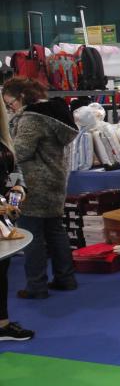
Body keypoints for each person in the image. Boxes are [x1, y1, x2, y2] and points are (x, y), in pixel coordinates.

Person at [3, 77, 78, 299]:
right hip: (54, 181)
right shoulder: (51, 114)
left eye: (10, 103)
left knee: (31, 234)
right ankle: (66, 278)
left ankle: (36, 286)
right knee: (55, 231)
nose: (10, 108)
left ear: (22, 96)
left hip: (32, 183)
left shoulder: (30, 119)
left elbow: (20, 152)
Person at [0, 96, 33, 341]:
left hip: (4, 217)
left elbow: (13, 171)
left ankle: (2, 324)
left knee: (3, 267)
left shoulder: (3, 139)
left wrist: (18, 191)